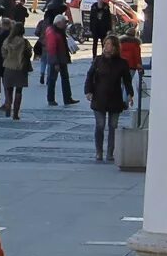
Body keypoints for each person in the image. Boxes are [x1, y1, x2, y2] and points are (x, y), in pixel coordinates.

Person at [84, 34, 136, 163]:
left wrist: (130, 94)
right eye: (105, 43)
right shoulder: (98, 60)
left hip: (115, 98)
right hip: (99, 96)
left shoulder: (122, 63)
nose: (105, 46)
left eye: (108, 44)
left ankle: (110, 152)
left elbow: (127, 81)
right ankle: (99, 151)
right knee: (100, 125)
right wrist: (88, 91)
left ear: (114, 47)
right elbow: (90, 76)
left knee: (113, 126)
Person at [0, 21, 33, 120]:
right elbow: (29, 55)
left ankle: (8, 106)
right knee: (19, 91)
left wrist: (8, 58)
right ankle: (16, 113)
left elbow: (3, 53)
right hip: (20, 68)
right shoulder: (24, 42)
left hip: (9, 67)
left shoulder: (7, 41)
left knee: (8, 89)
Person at [44, 13, 79, 106]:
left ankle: (67, 98)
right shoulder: (53, 32)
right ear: (59, 23)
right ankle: (51, 99)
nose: (66, 24)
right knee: (52, 79)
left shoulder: (59, 31)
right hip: (56, 60)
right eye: (64, 22)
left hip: (62, 59)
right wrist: (55, 63)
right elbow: (52, 48)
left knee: (65, 79)